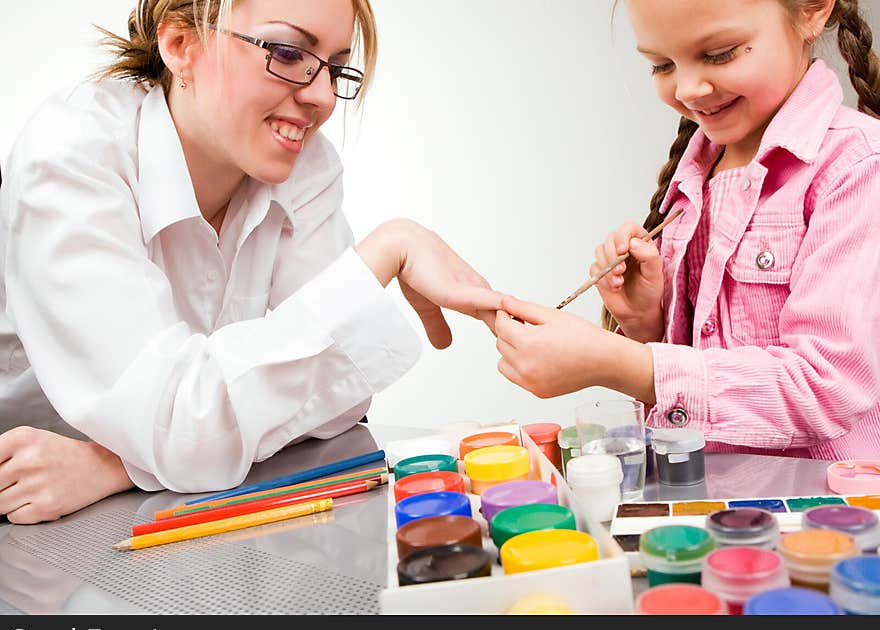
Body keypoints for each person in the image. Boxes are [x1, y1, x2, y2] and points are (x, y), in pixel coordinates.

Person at [0, 0, 501, 524]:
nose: (322, 96)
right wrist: (386, 250)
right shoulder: (71, 157)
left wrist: (113, 464)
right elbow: (209, 415)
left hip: (142, 504)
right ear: (179, 45)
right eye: (287, 52)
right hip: (32, 521)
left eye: (335, 67)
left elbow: (336, 406)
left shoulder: (304, 167)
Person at [495, 0, 880, 461]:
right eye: (662, 64)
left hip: (819, 518)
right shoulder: (695, 179)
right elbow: (707, 372)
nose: (689, 88)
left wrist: (620, 364)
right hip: (711, 507)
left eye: (720, 54)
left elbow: (827, 385)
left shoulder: (858, 167)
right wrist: (646, 323)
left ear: (813, 10)